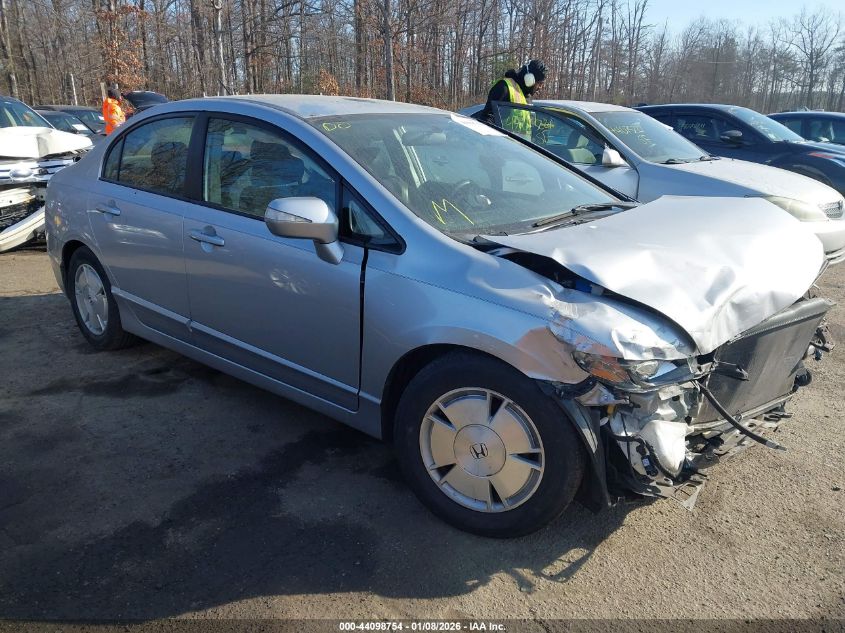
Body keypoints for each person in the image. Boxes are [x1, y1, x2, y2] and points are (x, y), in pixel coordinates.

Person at [480, 59, 546, 138]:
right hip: (503, 145)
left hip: (519, 146)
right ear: (530, 79)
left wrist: (535, 132)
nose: (540, 87)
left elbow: (522, 128)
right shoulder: (504, 88)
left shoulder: (526, 97)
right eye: (540, 83)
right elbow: (487, 121)